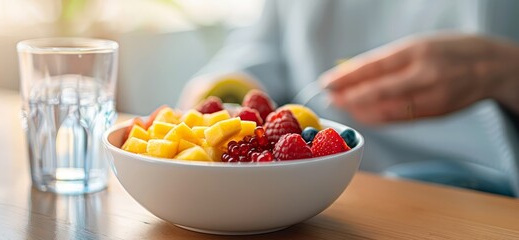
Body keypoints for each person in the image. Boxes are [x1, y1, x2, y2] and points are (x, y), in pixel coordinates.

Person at [178, 0, 519, 196]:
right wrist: (213, 106)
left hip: (490, 188)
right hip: (325, 188)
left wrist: (497, 69)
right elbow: (264, 43)